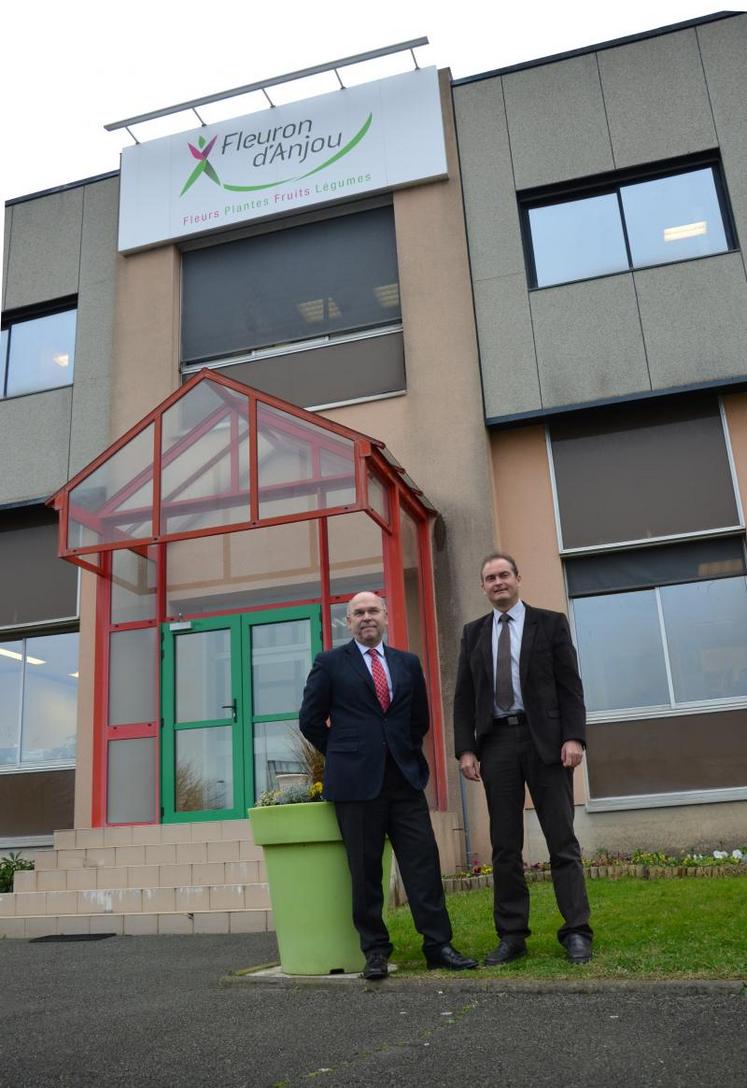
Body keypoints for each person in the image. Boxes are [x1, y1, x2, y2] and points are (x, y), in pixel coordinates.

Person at [300, 591, 477, 980]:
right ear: (348, 622)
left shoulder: (407, 663)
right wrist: (345, 752)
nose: (366, 617)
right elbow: (310, 719)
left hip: (404, 782)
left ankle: (438, 946)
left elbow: (419, 721)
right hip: (355, 787)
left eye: (373, 611)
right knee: (364, 872)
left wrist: (402, 752)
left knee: (423, 865)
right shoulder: (329, 664)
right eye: (358, 613)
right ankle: (375, 952)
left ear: (385, 616)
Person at [454, 552, 593, 965]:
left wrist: (574, 737)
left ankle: (576, 932)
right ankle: (512, 935)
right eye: (490, 578)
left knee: (561, 839)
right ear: (483, 587)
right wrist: (466, 748)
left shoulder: (549, 623)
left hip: (546, 741)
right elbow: (463, 697)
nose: (498, 582)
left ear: (518, 578)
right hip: (496, 744)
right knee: (504, 845)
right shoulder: (472, 633)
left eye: (504, 575)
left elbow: (570, 685)